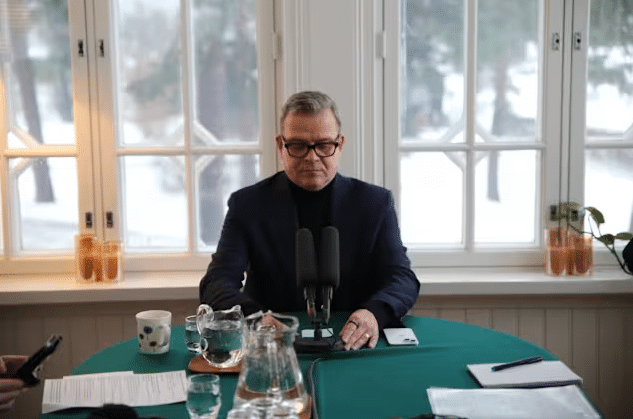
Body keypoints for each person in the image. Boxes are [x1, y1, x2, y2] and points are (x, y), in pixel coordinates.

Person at [199, 91, 420, 350]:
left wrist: (374, 313)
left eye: (324, 145)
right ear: (280, 145)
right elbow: (216, 282)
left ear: (340, 144)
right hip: (273, 347)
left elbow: (402, 278)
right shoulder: (247, 204)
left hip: (352, 346)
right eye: (298, 145)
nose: (312, 157)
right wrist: (256, 319)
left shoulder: (375, 203)